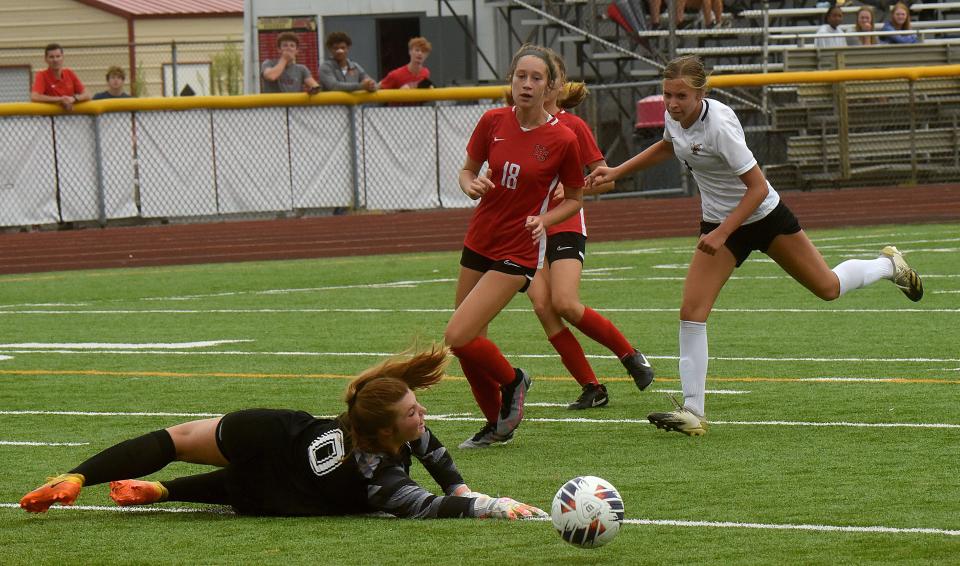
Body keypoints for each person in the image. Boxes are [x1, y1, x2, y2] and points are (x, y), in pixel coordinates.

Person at [586, 55, 924, 437]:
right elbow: (668, 145)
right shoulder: (674, 117)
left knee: (828, 287)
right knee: (692, 311)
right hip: (720, 223)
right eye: (667, 95)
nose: (672, 103)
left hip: (763, 217)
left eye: (681, 95)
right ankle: (693, 411)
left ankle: (888, 265)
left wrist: (721, 233)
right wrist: (616, 170)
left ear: (702, 92)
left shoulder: (721, 127)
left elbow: (758, 187)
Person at [20, 344, 547, 519]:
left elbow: (433, 458)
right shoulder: (376, 478)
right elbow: (426, 507)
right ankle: (86, 480)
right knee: (206, 465)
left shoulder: (383, 429)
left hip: (279, 438)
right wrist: (489, 504)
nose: (422, 416)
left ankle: (125, 483)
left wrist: (459, 486)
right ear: (385, 431)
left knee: (181, 445)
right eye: (412, 411)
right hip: (282, 479)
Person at [447, 44, 584, 448]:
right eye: (520, 76)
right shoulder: (492, 121)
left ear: (551, 86)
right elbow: (467, 170)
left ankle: (514, 380)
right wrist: (470, 184)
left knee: (457, 334)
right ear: (511, 80)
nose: (526, 84)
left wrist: (545, 219)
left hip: (517, 250)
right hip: (480, 239)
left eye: (536, 78)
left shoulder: (563, 138)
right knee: (468, 347)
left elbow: (576, 198)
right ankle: (496, 423)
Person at [524, 51, 655, 410]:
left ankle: (630, 356)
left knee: (564, 302)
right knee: (543, 306)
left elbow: (605, 179)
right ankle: (591, 387)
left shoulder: (572, 126)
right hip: (527, 230)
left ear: (556, 84)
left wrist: (576, 185)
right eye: (528, 77)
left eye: (544, 78)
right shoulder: (513, 124)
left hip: (564, 222)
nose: (535, 84)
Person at [30, 43, 89, 111]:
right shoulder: (42, 75)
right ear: (46, 59)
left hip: (71, 117)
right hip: (50, 118)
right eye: (51, 57)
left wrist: (73, 99)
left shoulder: (69, 73)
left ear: (63, 57)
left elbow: (87, 94)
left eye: (58, 56)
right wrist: (60, 99)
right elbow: (35, 97)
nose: (55, 60)